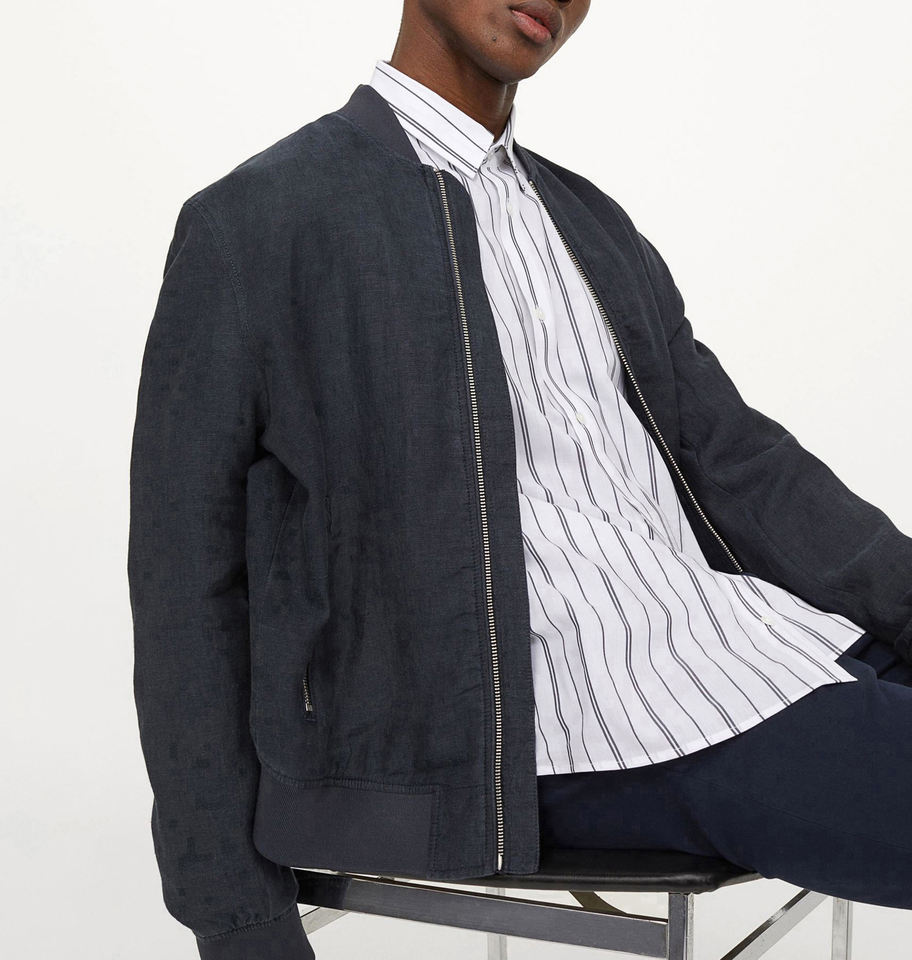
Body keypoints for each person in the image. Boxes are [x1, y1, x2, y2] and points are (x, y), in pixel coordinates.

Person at [127, 2, 912, 957]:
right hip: (544, 738)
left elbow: (740, 462)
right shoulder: (256, 223)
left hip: (740, 653)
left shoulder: (587, 221)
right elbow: (184, 585)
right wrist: (237, 918)